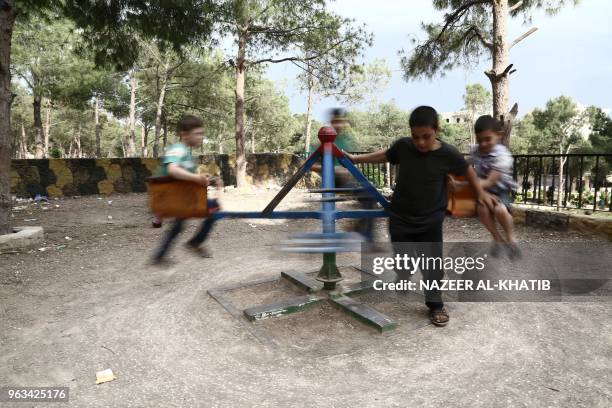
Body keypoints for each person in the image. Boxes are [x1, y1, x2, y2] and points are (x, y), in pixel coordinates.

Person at [346, 106, 497, 326]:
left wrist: (481, 192)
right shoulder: (404, 147)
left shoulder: (448, 153)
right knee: (403, 263)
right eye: (415, 137)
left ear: (437, 130)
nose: (420, 143)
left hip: (430, 221)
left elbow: (468, 171)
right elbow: (387, 155)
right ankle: (403, 276)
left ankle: (435, 304)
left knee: (432, 266)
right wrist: (357, 160)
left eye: (426, 137)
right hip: (400, 218)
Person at [150, 115, 222, 265]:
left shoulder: (187, 153)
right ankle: (195, 242)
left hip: (181, 198)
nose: (201, 137)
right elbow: (172, 170)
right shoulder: (178, 149)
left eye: (202, 134)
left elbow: (188, 178)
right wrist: (197, 178)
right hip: (172, 198)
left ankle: (159, 256)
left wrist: (209, 180)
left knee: (178, 225)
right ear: (184, 134)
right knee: (214, 208)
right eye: (197, 133)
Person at [310, 108, 375, 241]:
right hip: (332, 180)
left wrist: (349, 171)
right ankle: (362, 233)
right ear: (331, 122)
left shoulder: (346, 140)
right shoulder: (323, 139)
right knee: (368, 195)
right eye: (336, 122)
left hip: (346, 179)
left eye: (341, 122)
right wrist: (331, 169)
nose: (339, 125)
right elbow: (309, 164)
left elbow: (350, 161)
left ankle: (363, 232)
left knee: (371, 195)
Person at [469, 115, 520, 259]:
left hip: (500, 188)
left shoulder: (502, 155)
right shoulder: (477, 150)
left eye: (487, 139)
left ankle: (511, 238)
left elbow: (491, 181)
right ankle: (497, 238)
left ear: (498, 136)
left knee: (499, 209)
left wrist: (465, 184)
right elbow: (465, 165)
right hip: (484, 190)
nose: (483, 144)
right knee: (482, 209)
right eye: (480, 140)